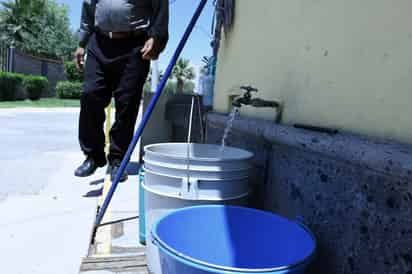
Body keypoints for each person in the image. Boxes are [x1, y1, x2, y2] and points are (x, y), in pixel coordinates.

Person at [74, 0, 169, 182]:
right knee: (90, 95)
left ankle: (118, 160)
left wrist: (156, 37)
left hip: (133, 45)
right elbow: (88, 9)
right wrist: (82, 42)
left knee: (127, 103)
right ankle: (93, 156)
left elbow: (160, 10)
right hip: (99, 42)